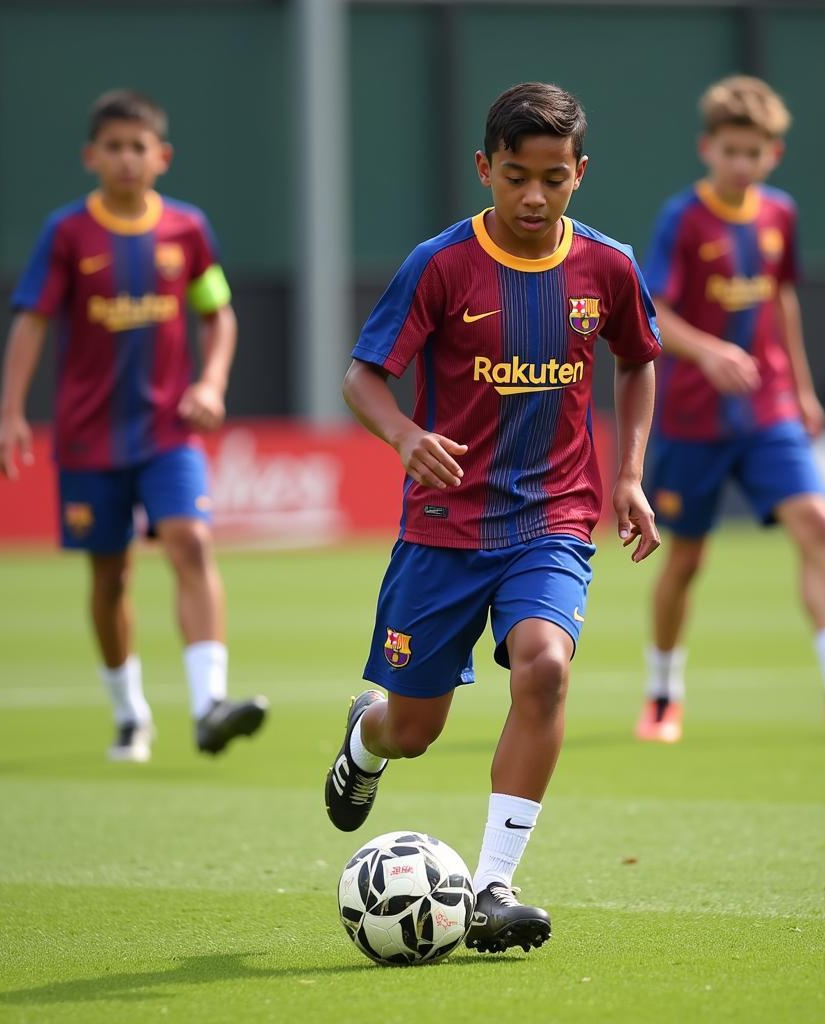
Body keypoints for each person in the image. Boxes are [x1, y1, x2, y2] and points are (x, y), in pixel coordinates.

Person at [324, 82, 662, 954]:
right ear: (486, 169)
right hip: (443, 528)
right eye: (515, 176)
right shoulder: (440, 265)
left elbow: (638, 359)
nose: (534, 196)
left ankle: (492, 887)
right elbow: (363, 375)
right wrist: (402, 435)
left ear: (580, 173)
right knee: (415, 727)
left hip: (555, 516)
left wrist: (627, 475)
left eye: (553, 177)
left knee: (544, 668)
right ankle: (364, 743)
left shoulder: (608, 267)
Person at [634, 75, 825, 744]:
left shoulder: (779, 215)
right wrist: (706, 352)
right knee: (686, 561)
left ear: (774, 155)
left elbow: (782, 300)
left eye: (753, 151)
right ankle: (661, 693)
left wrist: (803, 388)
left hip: (767, 408)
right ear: (707, 148)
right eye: (730, 149)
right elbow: (654, 311)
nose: (741, 162)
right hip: (692, 415)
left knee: (818, 520)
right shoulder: (683, 217)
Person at [0, 90, 267, 763]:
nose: (125, 158)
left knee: (192, 543)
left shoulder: (186, 231)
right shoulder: (67, 235)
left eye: (137, 147)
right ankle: (129, 713)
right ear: (92, 157)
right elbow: (32, 321)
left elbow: (218, 312)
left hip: (169, 431)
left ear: (161, 157)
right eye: (112, 147)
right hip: (89, 439)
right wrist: (9, 412)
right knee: (110, 579)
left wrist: (211, 381)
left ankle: (208, 706)